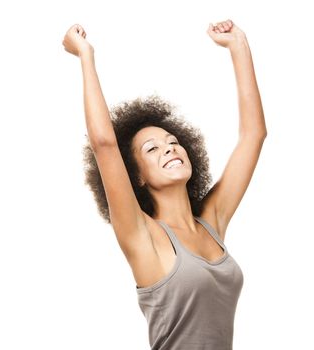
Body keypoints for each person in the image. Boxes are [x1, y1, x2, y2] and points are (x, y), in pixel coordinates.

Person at [62, 18, 267, 350]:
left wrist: (239, 45)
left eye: (172, 141)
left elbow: (253, 135)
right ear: (137, 176)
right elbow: (104, 144)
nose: (170, 148)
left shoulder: (212, 222)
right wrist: (86, 55)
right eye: (152, 149)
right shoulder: (141, 234)